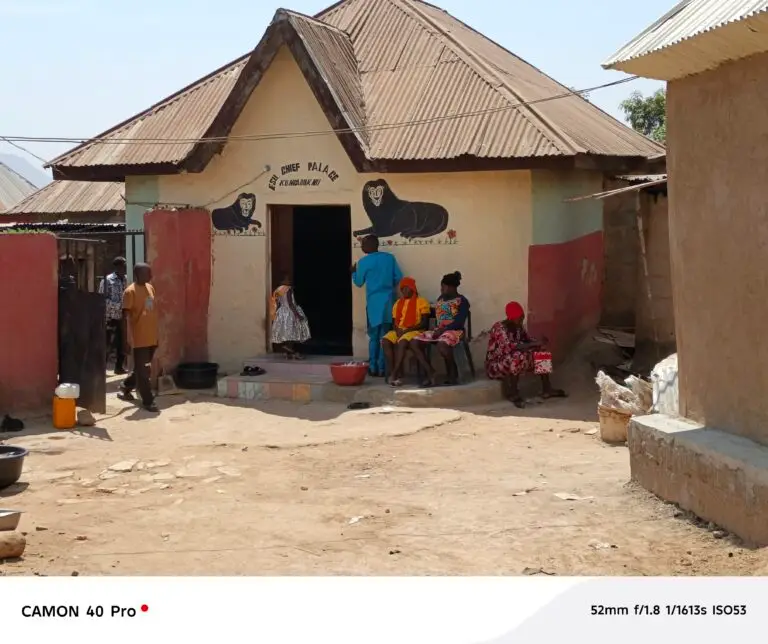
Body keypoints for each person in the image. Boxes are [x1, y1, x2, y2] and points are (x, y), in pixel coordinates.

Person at [485, 301, 567, 408]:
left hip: (511, 359)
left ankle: (547, 389)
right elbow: (511, 347)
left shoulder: (518, 327)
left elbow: (528, 340)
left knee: (542, 353)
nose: (521, 321)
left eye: (522, 318)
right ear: (511, 318)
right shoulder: (499, 328)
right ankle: (514, 393)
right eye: (519, 318)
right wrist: (535, 344)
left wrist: (540, 343)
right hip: (496, 364)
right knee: (517, 356)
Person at [352, 235, 403, 377]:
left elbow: (359, 282)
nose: (362, 247)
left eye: (363, 244)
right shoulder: (389, 258)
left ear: (370, 246)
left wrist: (353, 272)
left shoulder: (363, 262)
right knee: (385, 336)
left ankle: (373, 366)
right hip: (388, 302)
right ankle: (382, 368)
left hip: (373, 303)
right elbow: (398, 277)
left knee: (373, 336)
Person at [412, 271, 470, 386]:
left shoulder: (462, 301)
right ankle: (430, 372)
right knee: (414, 342)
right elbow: (438, 315)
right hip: (439, 331)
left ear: (451, 287)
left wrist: (443, 330)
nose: (441, 289)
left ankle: (452, 373)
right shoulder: (441, 299)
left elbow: (459, 322)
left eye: (443, 287)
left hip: (455, 331)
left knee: (442, 344)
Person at [118, 263, 159, 412]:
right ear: (137, 274)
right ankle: (148, 401)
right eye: (147, 273)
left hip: (152, 337)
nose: (150, 276)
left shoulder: (150, 288)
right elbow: (125, 318)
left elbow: (151, 310)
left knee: (141, 369)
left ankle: (125, 386)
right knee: (144, 371)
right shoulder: (130, 292)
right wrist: (126, 340)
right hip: (139, 339)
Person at [381, 277, 431, 386]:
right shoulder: (398, 303)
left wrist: (407, 330)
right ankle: (396, 372)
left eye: (406, 288)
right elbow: (394, 322)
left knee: (402, 342)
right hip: (400, 330)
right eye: (402, 289)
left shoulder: (421, 302)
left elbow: (424, 323)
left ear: (412, 288)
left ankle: (395, 373)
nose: (404, 291)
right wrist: (398, 330)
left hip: (415, 330)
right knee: (385, 340)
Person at [98, 256, 128, 374]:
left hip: (122, 317)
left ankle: (119, 367)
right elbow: (102, 299)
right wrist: (119, 306)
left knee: (121, 343)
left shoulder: (126, 279)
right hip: (110, 317)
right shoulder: (107, 280)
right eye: (123, 266)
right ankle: (102, 369)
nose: (125, 268)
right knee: (107, 344)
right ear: (117, 267)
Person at [270, 274, 311, 359]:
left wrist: (276, 314)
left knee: (286, 332)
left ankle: (288, 353)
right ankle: (294, 352)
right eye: (287, 279)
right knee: (293, 332)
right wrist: (297, 315)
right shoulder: (287, 289)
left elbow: (277, 303)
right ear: (283, 280)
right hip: (289, 312)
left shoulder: (277, 290)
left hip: (281, 312)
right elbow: (290, 303)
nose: (289, 281)